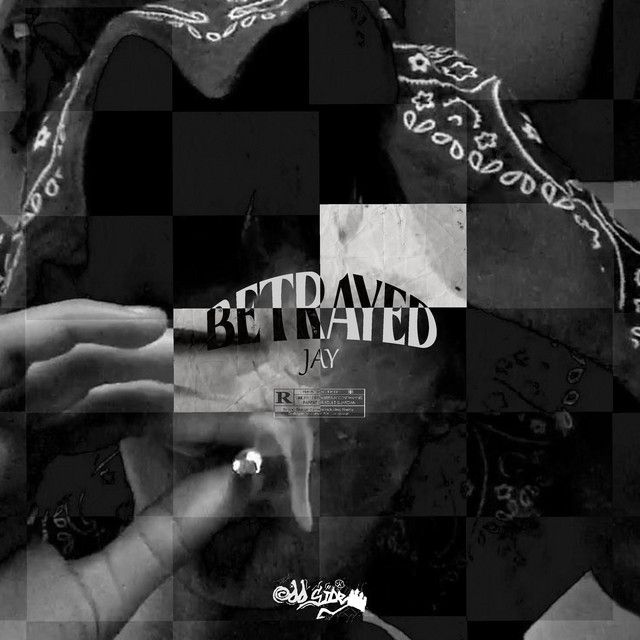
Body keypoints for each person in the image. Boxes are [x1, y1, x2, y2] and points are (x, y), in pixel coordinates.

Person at [0, 1, 639, 639]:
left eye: (307, 309)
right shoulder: (39, 548)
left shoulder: (521, 571)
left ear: (449, 381)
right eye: (162, 308)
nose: (218, 404)